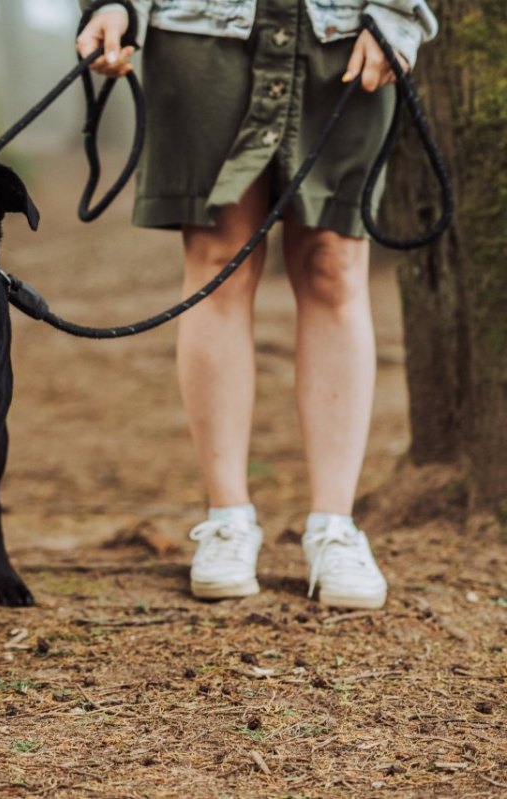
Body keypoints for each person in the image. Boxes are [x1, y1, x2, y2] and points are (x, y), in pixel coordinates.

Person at [76, 0, 438, 609]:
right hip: (201, 34)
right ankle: (227, 521)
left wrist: (397, 14)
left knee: (334, 264)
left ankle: (335, 528)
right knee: (219, 260)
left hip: (346, 34)